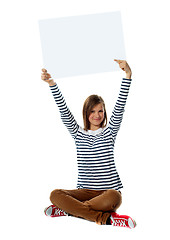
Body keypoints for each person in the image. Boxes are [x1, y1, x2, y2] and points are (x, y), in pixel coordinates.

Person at [41, 59, 136, 228]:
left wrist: (128, 75)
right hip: (84, 193)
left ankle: (69, 211)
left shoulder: (109, 132)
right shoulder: (78, 134)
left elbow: (120, 107)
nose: (97, 115)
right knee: (55, 195)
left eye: (100, 111)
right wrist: (52, 84)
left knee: (116, 196)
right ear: (86, 112)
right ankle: (107, 219)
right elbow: (64, 111)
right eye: (92, 111)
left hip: (106, 194)